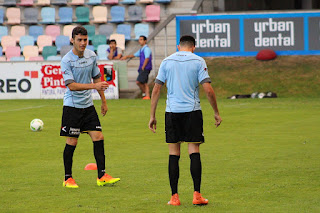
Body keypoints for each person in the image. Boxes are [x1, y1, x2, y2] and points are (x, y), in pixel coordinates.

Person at [148, 35, 222, 205]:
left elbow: (156, 89)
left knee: (174, 153)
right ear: (193, 47)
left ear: (178, 46)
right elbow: (208, 89)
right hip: (192, 111)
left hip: (172, 112)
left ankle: (174, 197)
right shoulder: (198, 61)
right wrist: (216, 112)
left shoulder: (167, 61)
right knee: (194, 150)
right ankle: (197, 195)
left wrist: (152, 115)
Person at [60, 26, 120, 188]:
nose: (83, 43)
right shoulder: (66, 60)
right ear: (72, 40)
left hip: (88, 106)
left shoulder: (91, 56)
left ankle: (102, 176)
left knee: (98, 137)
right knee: (72, 141)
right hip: (72, 107)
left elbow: (97, 78)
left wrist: (104, 101)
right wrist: (94, 87)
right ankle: (68, 178)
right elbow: (71, 86)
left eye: (85, 40)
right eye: (79, 40)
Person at [121, 36, 152, 100]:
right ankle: (146, 95)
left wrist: (143, 66)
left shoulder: (147, 49)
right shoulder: (141, 49)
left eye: (141, 40)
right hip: (143, 67)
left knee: (139, 82)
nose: (139, 41)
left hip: (145, 68)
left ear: (145, 41)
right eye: (139, 40)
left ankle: (146, 94)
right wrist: (126, 56)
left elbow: (147, 58)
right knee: (143, 82)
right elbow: (134, 55)